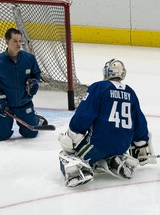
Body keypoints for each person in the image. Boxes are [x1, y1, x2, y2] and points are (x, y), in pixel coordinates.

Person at [57, 58, 156, 187]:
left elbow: (84, 114)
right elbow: (139, 121)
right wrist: (141, 145)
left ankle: (80, 170)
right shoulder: (130, 92)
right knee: (108, 149)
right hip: (122, 145)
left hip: (99, 143)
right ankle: (116, 161)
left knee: (66, 154)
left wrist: (72, 136)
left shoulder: (99, 87)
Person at [0, 28, 48, 141]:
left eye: (20, 41)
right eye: (15, 41)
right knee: (1, 135)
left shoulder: (29, 58)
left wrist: (34, 82)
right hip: (5, 105)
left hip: (24, 103)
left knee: (31, 133)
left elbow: (36, 74)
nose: (18, 44)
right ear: (7, 42)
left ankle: (35, 119)